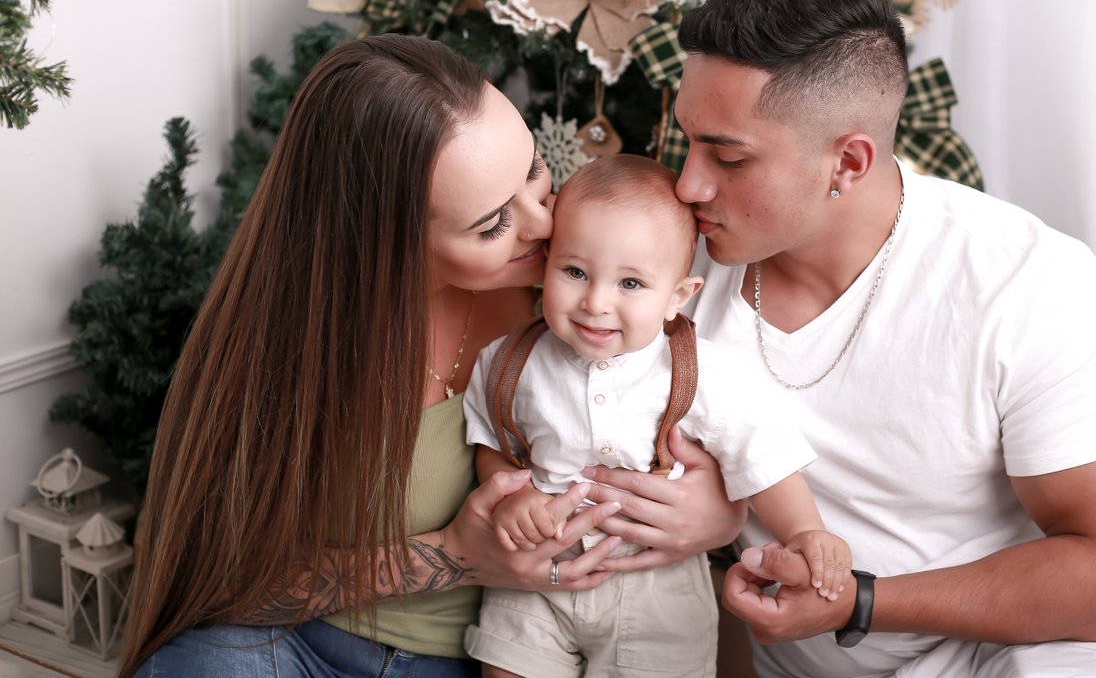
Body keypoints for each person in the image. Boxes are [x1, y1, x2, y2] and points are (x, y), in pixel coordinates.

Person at [118, 35, 744, 678]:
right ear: (387, 239)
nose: (542, 223)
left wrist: (722, 518)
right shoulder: (296, 342)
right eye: (492, 223)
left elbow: (723, 432)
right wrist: (452, 556)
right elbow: (214, 586)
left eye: (533, 170)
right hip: (297, 646)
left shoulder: (589, 292)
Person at [665, 0, 1096, 678]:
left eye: (728, 157)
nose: (688, 183)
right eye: (686, 139)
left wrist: (858, 604)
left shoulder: (1029, 281)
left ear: (849, 162)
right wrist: (716, 521)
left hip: (1022, 652)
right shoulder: (663, 273)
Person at [458, 155, 851, 678]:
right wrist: (514, 497)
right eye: (575, 272)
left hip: (655, 579)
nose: (596, 302)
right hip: (537, 568)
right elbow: (492, 443)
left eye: (630, 284)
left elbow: (765, 459)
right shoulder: (510, 360)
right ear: (547, 263)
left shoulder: (701, 371)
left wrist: (805, 532)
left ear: (676, 297)